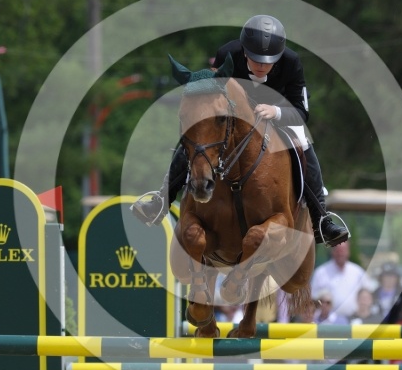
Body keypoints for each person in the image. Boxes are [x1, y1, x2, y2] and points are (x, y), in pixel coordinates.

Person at [130, 15, 349, 248]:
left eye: (268, 61)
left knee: (302, 142)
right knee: (199, 136)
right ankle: (161, 201)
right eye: (255, 59)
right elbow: (213, 94)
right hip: (235, 117)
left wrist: (275, 111)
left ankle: (321, 219)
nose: (261, 66)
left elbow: (301, 112)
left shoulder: (291, 62)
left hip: (279, 114)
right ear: (244, 51)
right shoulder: (228, 54)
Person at [310, 240, 373, 321]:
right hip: (328, 322)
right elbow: (313, 297)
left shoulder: (358, 272)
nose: (341, 254)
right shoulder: (321, 273)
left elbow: (369, 294)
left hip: (354, 320)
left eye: (343, 251)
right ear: (332, 252)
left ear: (348, 252)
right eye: (338, 251)